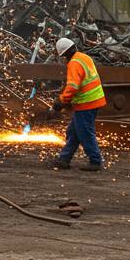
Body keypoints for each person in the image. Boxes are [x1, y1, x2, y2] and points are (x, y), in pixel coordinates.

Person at [50, 37, 107, 171]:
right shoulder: (84, 57)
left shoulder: (74, 63)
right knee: (74, 132)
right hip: (92, 100)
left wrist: (61, 101)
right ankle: (64, 159)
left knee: (85, 133)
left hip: (86, 103)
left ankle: (95, 161)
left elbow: (73, 87)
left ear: (65, 54)